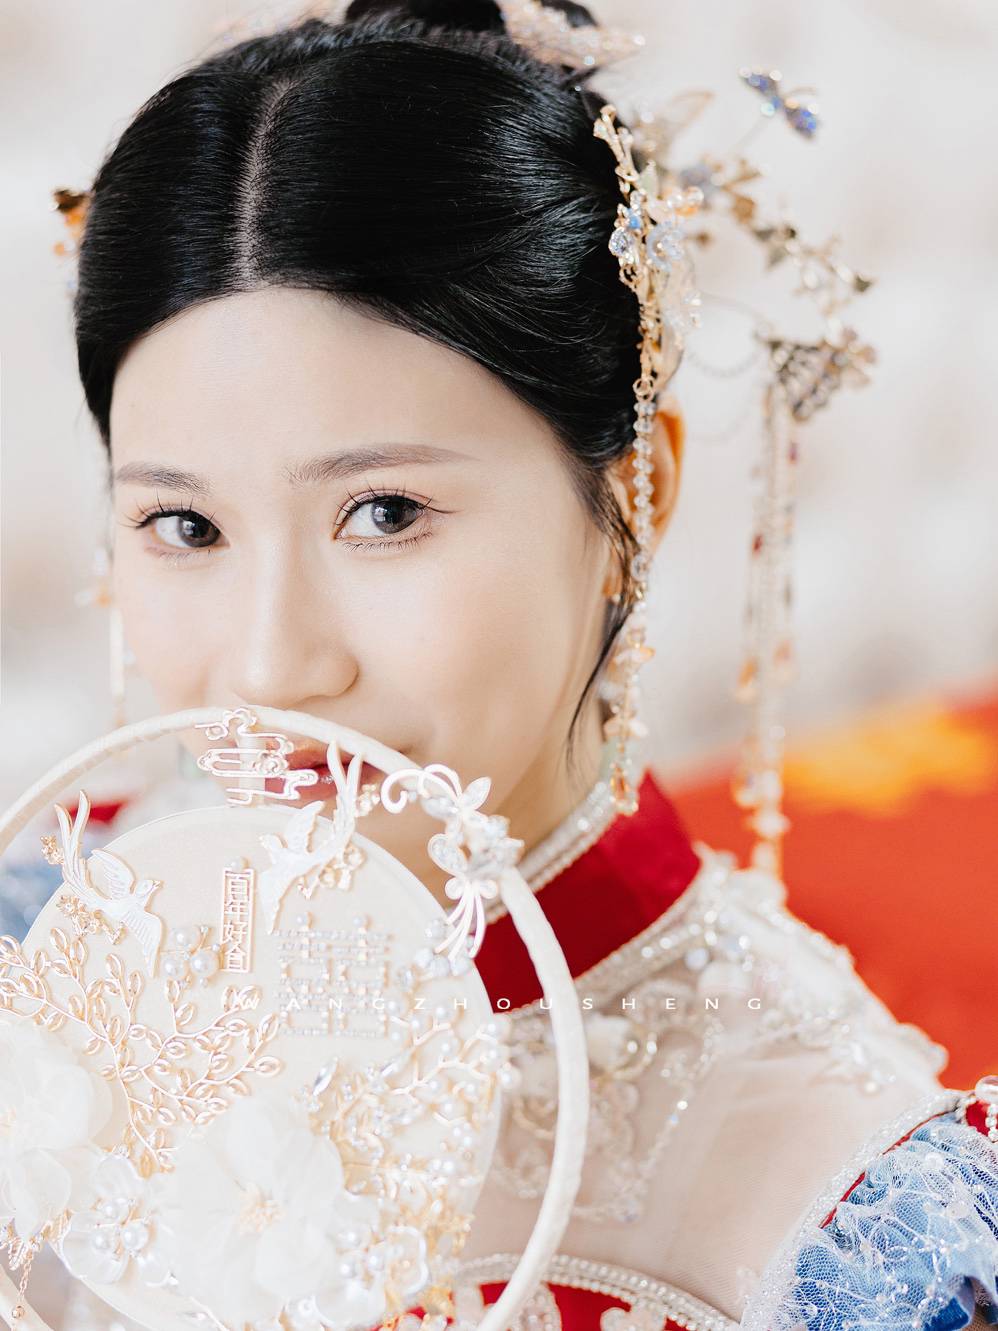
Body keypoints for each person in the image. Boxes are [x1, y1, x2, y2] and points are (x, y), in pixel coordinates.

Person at [2, 2, 997, 1329]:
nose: (269, 668)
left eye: (385, 513)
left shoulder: (835, 1214)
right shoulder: (60, 928)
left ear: (636, 492)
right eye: (185, 526)